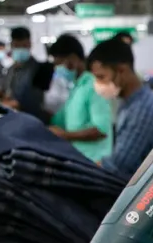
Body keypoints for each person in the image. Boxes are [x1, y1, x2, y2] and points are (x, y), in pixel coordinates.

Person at [89, 38, 153, 181]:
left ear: (122, 70)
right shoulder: (129, 103)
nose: (98, 84)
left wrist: (83, 167)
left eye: (101, 77)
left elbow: (119, 165)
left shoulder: (142, 110)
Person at [46, 35, 113, 163]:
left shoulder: (94, 85)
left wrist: (65, 135)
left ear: (73, 59)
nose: (58, 71)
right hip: (81, 160)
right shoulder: (76, 87)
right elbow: (61, 120)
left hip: (97, 163)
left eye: (60, 65)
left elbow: (101, 130)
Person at [4, 27, 50, 119]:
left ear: (30, 44)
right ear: (12, 45)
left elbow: (36, 100)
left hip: (33, 119)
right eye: (17, 46)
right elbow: (7, 93)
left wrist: (14, 104)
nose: (20, 49)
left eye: (24, 46)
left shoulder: (41, 69)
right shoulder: (11, 70)